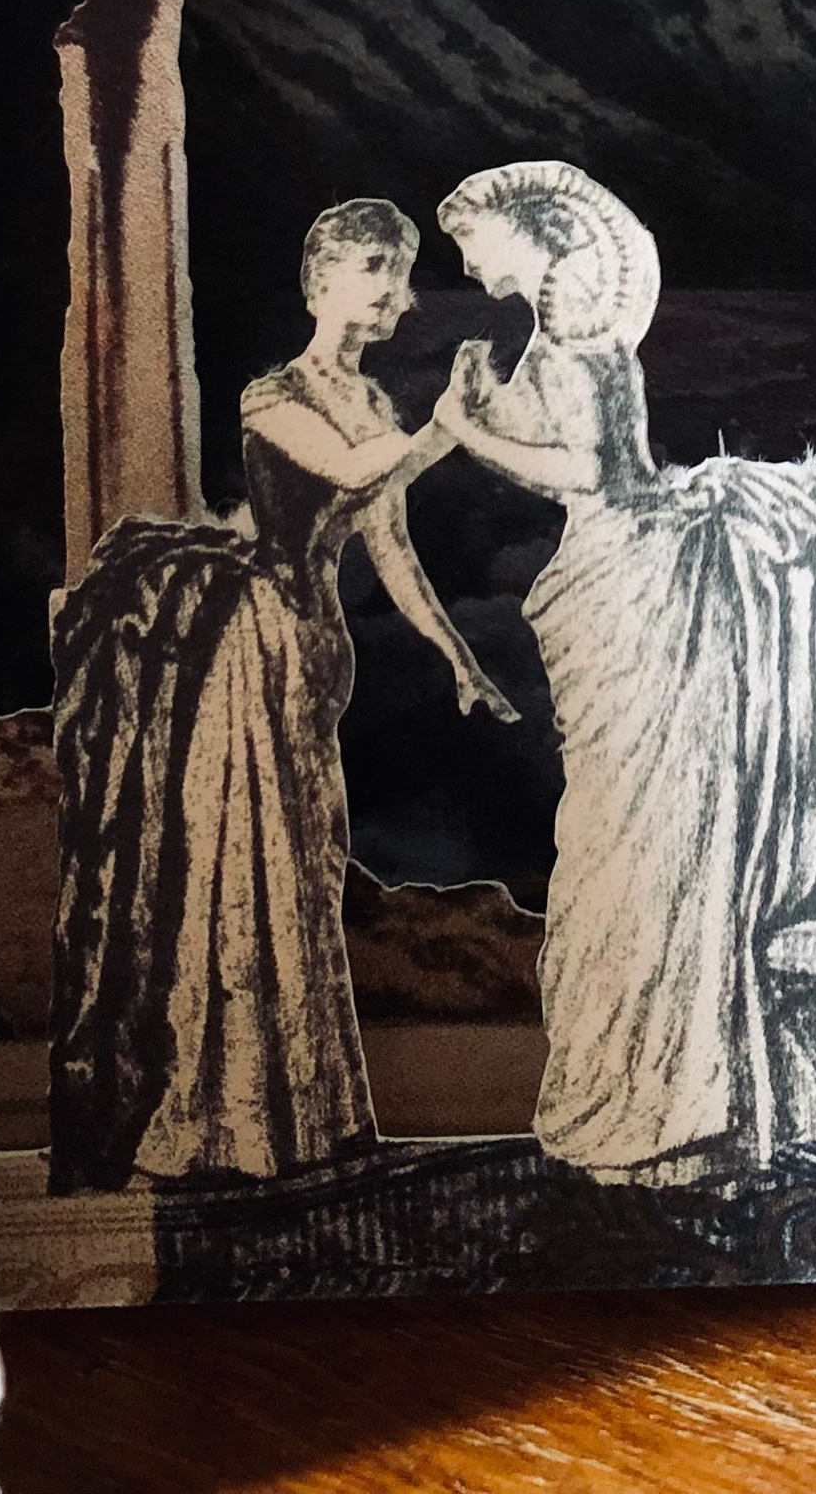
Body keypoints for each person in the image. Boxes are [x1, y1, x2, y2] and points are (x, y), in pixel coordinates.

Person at [429, 161, 816, 1189]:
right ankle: (654, 1090)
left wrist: (467, 426)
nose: (463, 263)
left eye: (472, 240)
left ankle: (672, 1096)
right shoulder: (557, 342)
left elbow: (593, 473)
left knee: (642, 847)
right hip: (609, 585)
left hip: (633, 585)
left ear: (532, 233)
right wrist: (479, 409)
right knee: (624, 848)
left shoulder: (580, 344)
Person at [46, 199, 512, 1187]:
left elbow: (390, 545)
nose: (395, 293)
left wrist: (457, 658)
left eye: (402, 272)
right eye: (377, 267)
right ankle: (222, 1125)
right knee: (243, 870)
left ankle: (304, 1120)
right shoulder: (272, 398)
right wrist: (446, 424)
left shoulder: (373, 403)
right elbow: (348, 469)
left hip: (316, 653)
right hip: (250, 649)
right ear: (320, 282)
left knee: (303, 871)